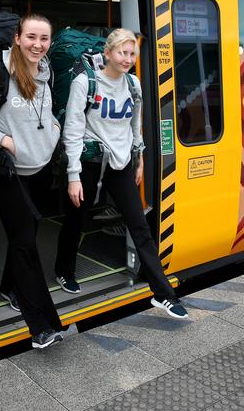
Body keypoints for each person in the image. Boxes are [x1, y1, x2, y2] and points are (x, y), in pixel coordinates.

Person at [54, 28, 188, 319]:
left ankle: (163, 294)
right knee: (77, 219)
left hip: (121, 164)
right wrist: (73, 176)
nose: (127, 59)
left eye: (131, 54)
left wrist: (138, 157)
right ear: (108, 53)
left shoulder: (133, 84)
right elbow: (73, 131)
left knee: (139, 225)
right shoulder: (85, 82)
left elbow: (133, 124)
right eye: (121, 53)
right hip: (89, 162)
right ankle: (63, 270)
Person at [0, 13, 64, 348]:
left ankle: (8, 287)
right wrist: (1, 140)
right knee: (25, 245)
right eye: (31, 37)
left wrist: (54, 131)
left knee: (28, 236)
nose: (38, 45)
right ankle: (42, 326)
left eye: (44, 39)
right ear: (17, 37)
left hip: (40, 168)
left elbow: (43, 113)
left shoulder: (46, 71)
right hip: (10, 173)